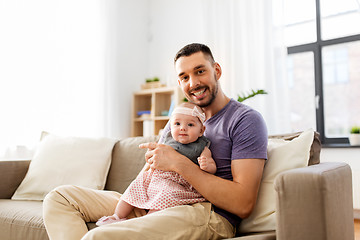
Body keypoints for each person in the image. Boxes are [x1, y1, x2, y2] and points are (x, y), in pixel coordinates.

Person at [43, 43, 268, 240]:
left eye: (200, 71)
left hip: (203, 210)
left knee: (100, 236)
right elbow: (153, 167)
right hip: (155, 197)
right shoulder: (179, 120)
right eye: (184, 77)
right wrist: (135, 196)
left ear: (216, 70)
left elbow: (243, 204)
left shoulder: (245, 120)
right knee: (60, 198)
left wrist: (178, 163)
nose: (193, 83)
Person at [95, 102, 216, 226]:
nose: (183, 128)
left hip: (178, 183)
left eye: (190, 124)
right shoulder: (167, 140)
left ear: (201, 130)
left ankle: (148, 221)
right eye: (177, 124)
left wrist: (207, 165)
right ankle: (117, 216)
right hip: (156, 176)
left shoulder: (202, 147)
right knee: (135, 185)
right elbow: (153, 157)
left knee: (165, 194)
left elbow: (212, 168)